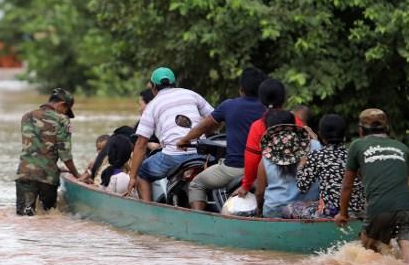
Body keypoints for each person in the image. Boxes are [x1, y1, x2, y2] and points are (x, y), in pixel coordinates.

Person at [335, 109, 409, 264]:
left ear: (361, 130)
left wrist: (343, 214)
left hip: (380, 206)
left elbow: (347, 185)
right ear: (387, 128)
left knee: (366, 255)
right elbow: (398, 180)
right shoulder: (402, 147)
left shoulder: (357, 145)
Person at [178, 67, 267, 210]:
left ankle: (198, 221)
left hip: (234, 168)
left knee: (196, 184)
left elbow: (203, 127)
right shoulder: (269, 111)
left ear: (241, 88)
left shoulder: (229, 106)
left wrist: (184, 140)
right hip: (263, 170)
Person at [127, 67, 214, 201]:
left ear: (154, 87)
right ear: (174, 83)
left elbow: (140, 145)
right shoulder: (191, 94)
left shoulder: (152, 106)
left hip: (173, 157)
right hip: (201, 154)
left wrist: (132, 177)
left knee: (141, 172)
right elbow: (214, 119)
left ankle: (148, 211)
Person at [234, 79, 307, 197]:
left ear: (261, 100)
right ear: (284, 99)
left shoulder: (258, 126)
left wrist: (245, 186)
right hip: (300, 187)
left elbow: (252, 161)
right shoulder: (298, 123)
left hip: (269, 188)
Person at [284, 114, 365, 219]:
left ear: (321, 134)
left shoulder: (317, 155)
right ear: (344, 134)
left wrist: (301, 165)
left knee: (288, 209)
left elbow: (302, 186)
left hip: (332, 211)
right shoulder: (352, 154)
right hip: (357, 209)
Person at [16, 88, 81, 215]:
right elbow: (65, 155)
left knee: (23, 218)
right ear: (62, 105)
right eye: (67, 110)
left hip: (25, 174)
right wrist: (77, 175)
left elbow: (35, 148)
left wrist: (57, 167)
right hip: (47, 178)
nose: (66, 114)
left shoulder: (27, 116)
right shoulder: (62, 120)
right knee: (47, 218)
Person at [254, 111, 319, 218]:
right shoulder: (316, 146)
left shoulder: (267, 156)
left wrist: (259, 210)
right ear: (294, 125)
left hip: (275, 211)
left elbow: (260, 192)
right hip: (308, 212)